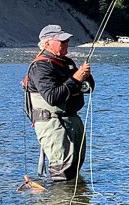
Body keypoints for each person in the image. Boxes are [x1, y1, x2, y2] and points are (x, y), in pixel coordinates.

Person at [23, 24, 95, 182]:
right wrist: (76, 78)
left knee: (74, 168)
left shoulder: (66, 62)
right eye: (61, 41)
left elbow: (88, 89)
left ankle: (73, 203)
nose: (66, 44)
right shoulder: (40, 66)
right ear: (47, 43)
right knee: (62, 170)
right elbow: (53, 97)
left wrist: (86, 77)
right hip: (52, 123)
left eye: (67, 40)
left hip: (71, 120)